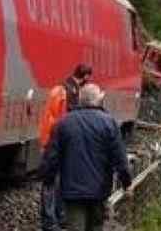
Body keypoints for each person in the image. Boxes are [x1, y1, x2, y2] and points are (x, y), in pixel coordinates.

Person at [41, 83, 133, 231]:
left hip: (72, 191)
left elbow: (52, 157)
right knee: (96, 226)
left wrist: (48, 179)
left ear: (80, 100)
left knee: (75, 227)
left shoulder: (64, 123)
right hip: (99, 190)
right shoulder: (109, 123)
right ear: (98, 100)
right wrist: (127, 183)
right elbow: (120, 158)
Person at [39, 64, 93, 231]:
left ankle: (54, 218)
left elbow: (49, 119)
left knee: (53, 180)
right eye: (88, 78)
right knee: (54, 182)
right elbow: (64, 121)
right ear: (85, 76)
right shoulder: (71, 94)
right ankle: (52, 219)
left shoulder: (59, 90)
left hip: (52, 141)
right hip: (59, 143)